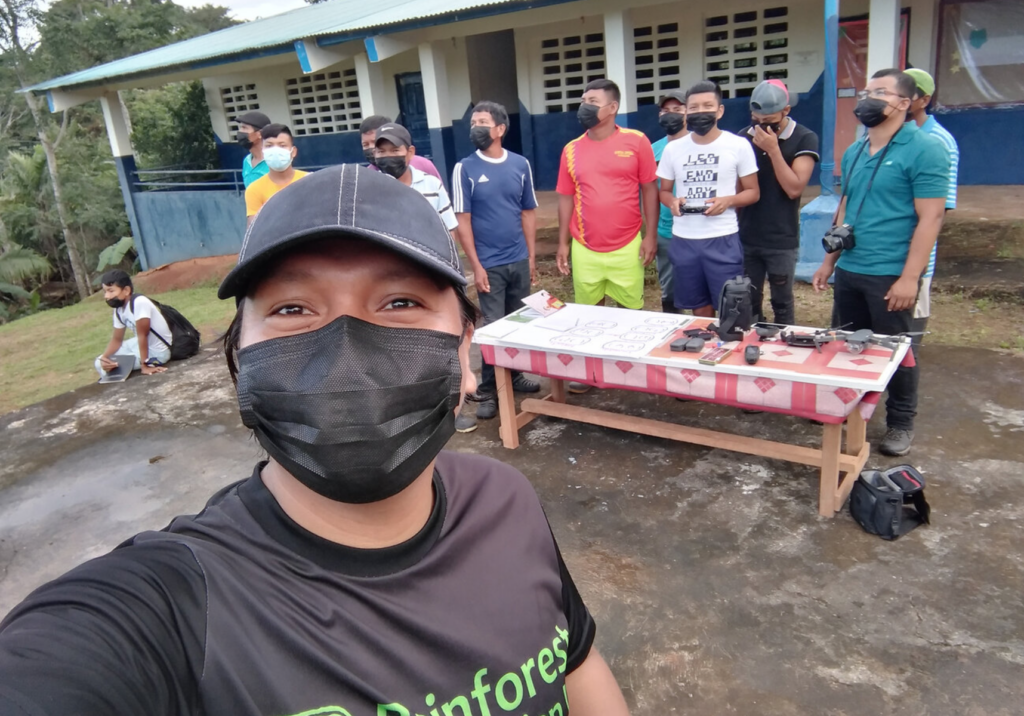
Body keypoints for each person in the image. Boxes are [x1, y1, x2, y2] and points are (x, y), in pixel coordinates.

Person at [0, 165, 629, 716]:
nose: (347, 355)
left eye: (401, 301)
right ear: (241, 358)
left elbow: (575, 666)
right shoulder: (172, 609)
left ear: (466, 353)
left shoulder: (506, 500)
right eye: (294, 309)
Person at [812, 69, 949, 457]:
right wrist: (828, 261)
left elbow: (931, 217)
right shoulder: (856, 150)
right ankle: (850, 408)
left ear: (904, 103)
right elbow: (845, 207)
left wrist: (910, 277)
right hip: (852, 268)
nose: (867, 99)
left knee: (897, 352)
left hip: (891, 272)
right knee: (848, 345)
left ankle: (901, 421)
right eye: (866, 92)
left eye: (880, 93)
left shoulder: (925, 148)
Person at [451, 100, 541, 432]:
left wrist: (531, 257)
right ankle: (490, 390)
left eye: (483, 121)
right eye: (473, 121)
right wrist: (476, 266)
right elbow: (464, 220)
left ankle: (514, 376)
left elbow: (528, 212)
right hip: (489, 264)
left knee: (519, 323)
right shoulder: (465, 168)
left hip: (518, 259)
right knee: (493, 328)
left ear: (500, 129)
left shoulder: (520, 165)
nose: (476, 127)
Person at [657, 80, 760, 317]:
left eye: (707, 106)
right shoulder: (673, 149)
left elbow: (753, 192)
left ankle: (727, 345)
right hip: (684, 239)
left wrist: (728, 201)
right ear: (686, 112)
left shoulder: (738, 145)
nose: (700, 112)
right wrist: (672, 202)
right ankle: (704, 347)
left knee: (730, 304)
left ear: (720, 110)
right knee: (697, 305)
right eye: (693, 108)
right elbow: (664, 191)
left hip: (722, 238)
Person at [555, 78, 659, 312]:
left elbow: (650, 191)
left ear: (612, 108)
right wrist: (563, 242)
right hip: (584, 246)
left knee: (631, 315)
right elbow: (565, 197)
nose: (585, 107)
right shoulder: (570, 150)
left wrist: (650, 235)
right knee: (589, 315)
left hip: (628, 245)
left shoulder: (637, 141)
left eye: (593, 101)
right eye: (583, 101)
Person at [739, 80, 820, 324]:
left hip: (781, 238)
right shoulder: (743, 138)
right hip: (746, 235)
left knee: (782, 302)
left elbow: (794, 188)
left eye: (770, 121)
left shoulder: (804, 138)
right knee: (747, 300)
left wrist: (773, 150)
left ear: (786, 111)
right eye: (758, 120)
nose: (763, 127)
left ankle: (786, 347)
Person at [904, 67, 959, 335]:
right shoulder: (882, 138)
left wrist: (915, 267)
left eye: (907, 93)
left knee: (906, 338)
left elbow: (938, 211)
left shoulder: (939, 141)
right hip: (877, 260)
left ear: (923, 100)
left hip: (913, 255)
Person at [375, 123, 458, 233]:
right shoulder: (371, 188)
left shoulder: (432, 185)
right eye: (381, 151)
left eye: (395, 150)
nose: (388, 156)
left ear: (410, 152)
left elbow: (449, 229)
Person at [94, 269, 171, 377]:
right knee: (99, 363)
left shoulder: (139, 302)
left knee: (116, 367)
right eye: (105, 292)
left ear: (126, 290)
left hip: (157, 352)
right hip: (138, 344)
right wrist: (105, 358)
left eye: (111, 291)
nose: (106, 296)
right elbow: (117, 339)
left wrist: (145, 366)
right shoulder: (118, 309)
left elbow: (143, 335)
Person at [651, 90, 688, 313]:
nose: (671, 115)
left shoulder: (700, 145)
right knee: (670, 290)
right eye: (666, 110)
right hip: (666, 232)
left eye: (677, 110)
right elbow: (649, 195)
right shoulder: (652, 150)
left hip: (698, 230)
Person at [244, 124, 309, 226]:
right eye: (269, 146)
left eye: (282, 145)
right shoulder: (254, 190)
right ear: (263, 151)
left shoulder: (310, 180)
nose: (275, 151)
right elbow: (254, 232)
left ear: (293, 152)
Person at [359, 115, 442, 180]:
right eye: (365, 145)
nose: (371, 148)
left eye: (374, 142)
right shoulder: (368, 175)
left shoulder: (423, 165)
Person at [236, 110, 271, 189]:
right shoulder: (247, 161)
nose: (240, 132)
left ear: (260, 134)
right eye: (241, 127)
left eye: (244, 128)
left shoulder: (273, 161)